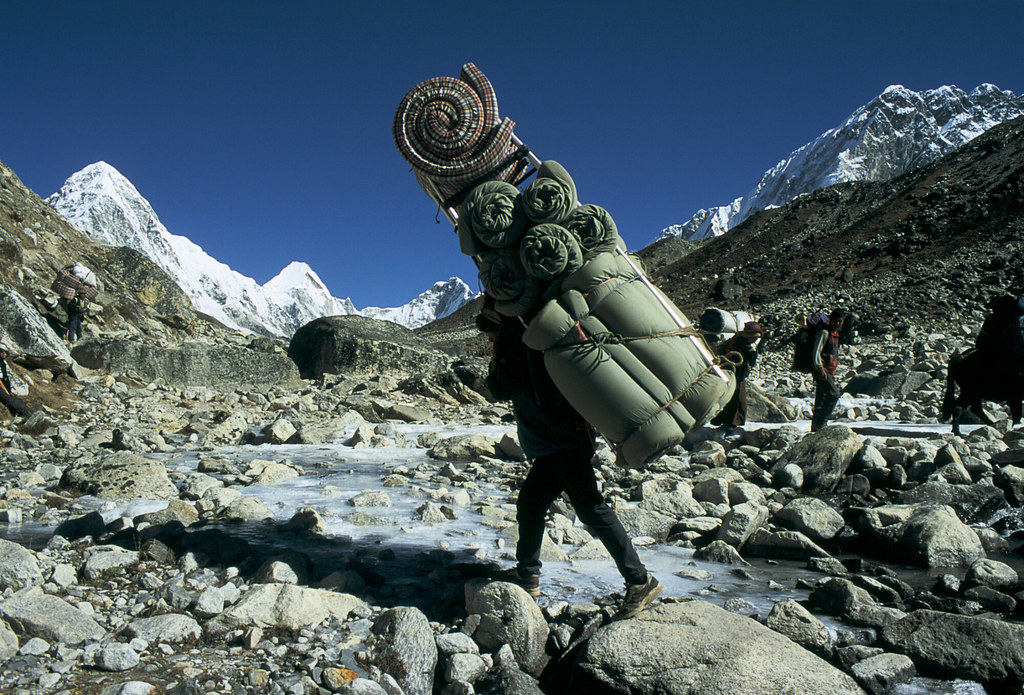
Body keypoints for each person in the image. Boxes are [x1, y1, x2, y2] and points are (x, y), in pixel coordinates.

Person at [476, 297, 664, 620]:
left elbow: (504, 386)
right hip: (563, 438)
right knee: (532, 503)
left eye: (488, 333)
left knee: (591, 508)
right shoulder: (532, 331)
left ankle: (639, 580)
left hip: (561, 441)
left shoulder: (512, 337)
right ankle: (528, 574)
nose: (488, 339)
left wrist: (494, 369)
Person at [711, 321, 763, 430]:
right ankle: (731, 423)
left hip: (736, 374)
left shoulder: (743, 343)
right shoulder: (738, 344)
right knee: (737, 398)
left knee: (736, 397)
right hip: (733, 374)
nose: (755, 339)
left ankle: (726, 421)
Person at [810, 308, 847, 432]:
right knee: (834, 394)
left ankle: (815, 428)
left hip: (828, 370)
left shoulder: (835, 334)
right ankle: (822, 422)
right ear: (830, 320)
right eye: (836, 321)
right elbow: (816, 351)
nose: (837, 323)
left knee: (821, 399)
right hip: (821, 369)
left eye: (840, 321)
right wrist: (819, 368)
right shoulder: (824, 333)